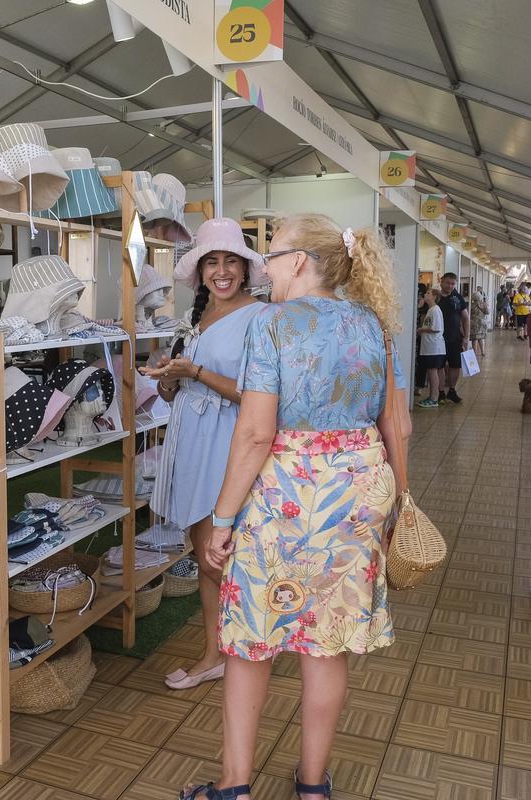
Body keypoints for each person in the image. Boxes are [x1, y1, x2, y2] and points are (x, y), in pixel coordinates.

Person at [183, 215, 407, 800]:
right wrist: (397, 505)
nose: (265, 267)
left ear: (301, 261)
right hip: (359, 494)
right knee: (326, 644)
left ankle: (234, 786)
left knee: (250, 641)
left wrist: (224, 519)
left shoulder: (273, 326)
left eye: (272, 255)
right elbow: (397, 426)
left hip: (286, 498)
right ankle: (313, 785)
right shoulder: (374, 326)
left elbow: (256, 433)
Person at [142, 217, 265, 690]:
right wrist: (172, 382)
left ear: (245, 267)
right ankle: (217, 650)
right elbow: (182, 392)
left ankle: (242, 648)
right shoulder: (197, 317)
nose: (221, 271)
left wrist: (195, 372)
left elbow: (259, 395)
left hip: (229, 443)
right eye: (211, 262)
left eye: (230, 261)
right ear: (199, 271)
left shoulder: (260, 317)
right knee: (202, 547)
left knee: (226, 550)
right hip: (192, 440)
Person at [437, 272, 468, 403]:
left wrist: (466, 337)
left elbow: (465, 318)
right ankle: (440, 392)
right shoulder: (436, 297)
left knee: (456, 365)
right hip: (438, 338)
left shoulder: (458, 297)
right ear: (441, 282)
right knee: (439, 366)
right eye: (447, 283)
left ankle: (452, 390)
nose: (450, 286)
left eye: (452, 284)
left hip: (455, 337)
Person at [417, 288, 445, 408]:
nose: (425, 294)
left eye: (428, 293)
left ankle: (434, 398)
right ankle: (432, 396)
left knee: (433, 372)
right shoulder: (431, 310)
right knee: (431, 371)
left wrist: (420, 330)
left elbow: (436, 328)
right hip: (429, 347)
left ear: (434, 297)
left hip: (434, 347)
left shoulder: (435, 310)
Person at [470, 286, 489, 359]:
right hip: (482, 322)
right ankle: (482, 351)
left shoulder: (471, 305)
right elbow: (487, 312)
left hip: (473, 323)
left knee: (474, 338)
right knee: (481, 338)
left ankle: (474, 352)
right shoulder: (483, 304)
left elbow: (469, 313)